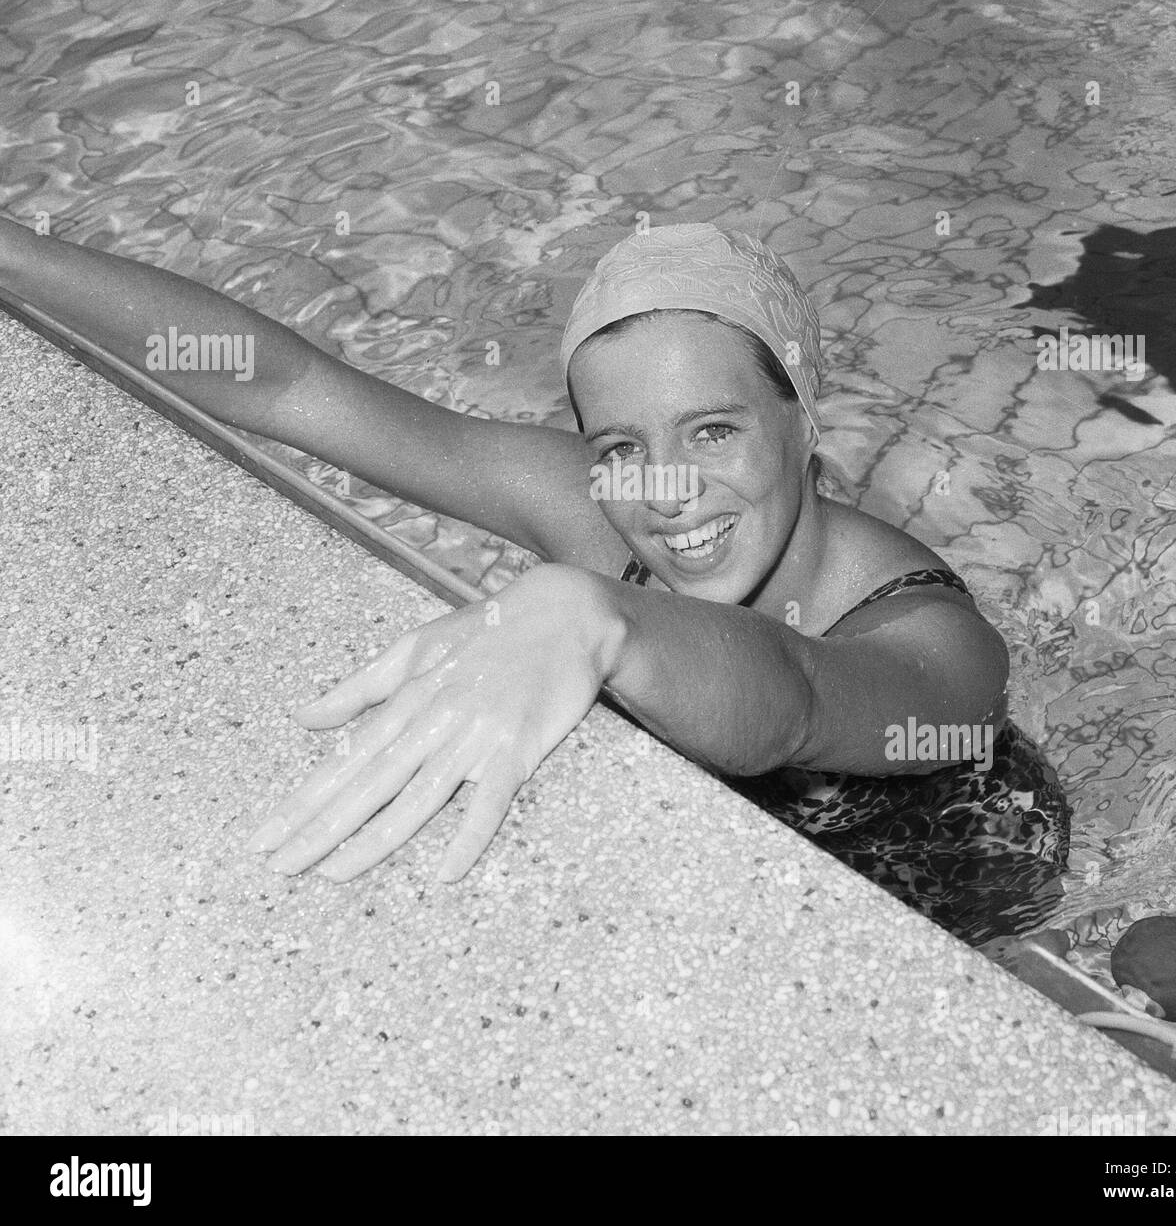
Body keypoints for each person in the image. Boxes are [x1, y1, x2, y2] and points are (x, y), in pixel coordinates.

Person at [0, 216, 1069, 943]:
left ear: (806, 422)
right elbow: (288, 387)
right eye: (618, 447)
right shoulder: (591, 508)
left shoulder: (936, 642)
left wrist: (585, 606)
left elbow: (786, 703)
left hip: (949, 907)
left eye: (713, 430)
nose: (666, 495)